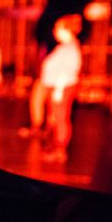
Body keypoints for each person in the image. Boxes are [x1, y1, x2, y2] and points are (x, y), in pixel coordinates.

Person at [21, 0, 94, 138]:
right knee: (49, 96)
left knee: (53, 99)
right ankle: (45, 130)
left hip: (55, 46)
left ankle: (49, 134)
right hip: (55, 44)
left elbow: (63, 12)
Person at [39, 14, 83, 163]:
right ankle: (55, 147)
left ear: (66, 30)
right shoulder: (65, 47)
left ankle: (60, 150)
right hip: (58, 87)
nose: (55, 31)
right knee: (56, 118)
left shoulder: (70, 48)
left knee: (61, 118)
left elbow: (68, 71)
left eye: (58, 28)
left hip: (62, 88)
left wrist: (58, 90)